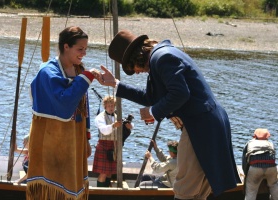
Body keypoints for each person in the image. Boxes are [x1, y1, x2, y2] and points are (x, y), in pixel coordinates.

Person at [99, 29, 241, 199]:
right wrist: (116, 84)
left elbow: (180, 94)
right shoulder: (162, 56)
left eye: (132, 67)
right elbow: (151, 97)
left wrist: (153, 111)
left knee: (184, 189)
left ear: (136, 57)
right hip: (209, 124)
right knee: (199, 192)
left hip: (201, 126)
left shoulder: (162, 58)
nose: (136, 72)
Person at [27, 26, 103, 200]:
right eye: (80, 49)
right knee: (52, 190)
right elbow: (64, 103)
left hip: (74, 139)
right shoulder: (47, 71)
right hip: (51, 141)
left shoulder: (77, 70)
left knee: (73, 187)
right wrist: (87, 76)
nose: (84, 53)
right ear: (66, 46)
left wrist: (86, 138)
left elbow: (84, 107)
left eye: (85, 49)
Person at [92, 95, 133, 187]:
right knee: (103, 173)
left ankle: (107, 190)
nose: (111, 108)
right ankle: (101, 193)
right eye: (109, 106)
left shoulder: (117, 116)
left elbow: (125, 126)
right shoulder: (100, 117)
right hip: (104, 145)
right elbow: (104, 131)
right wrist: (113, 126)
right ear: (105, 106)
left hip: (114, 145)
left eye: (112, 106)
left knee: (110, 172)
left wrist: (129, 127)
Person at [242, 128, 278, 200]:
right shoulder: (270, 143)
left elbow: (244, 160)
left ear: (254, 136)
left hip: (255, 168)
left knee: (251, 191)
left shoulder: (250, 143)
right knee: (273, 185)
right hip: (271, 168)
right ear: (267, 136)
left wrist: (246, 173)